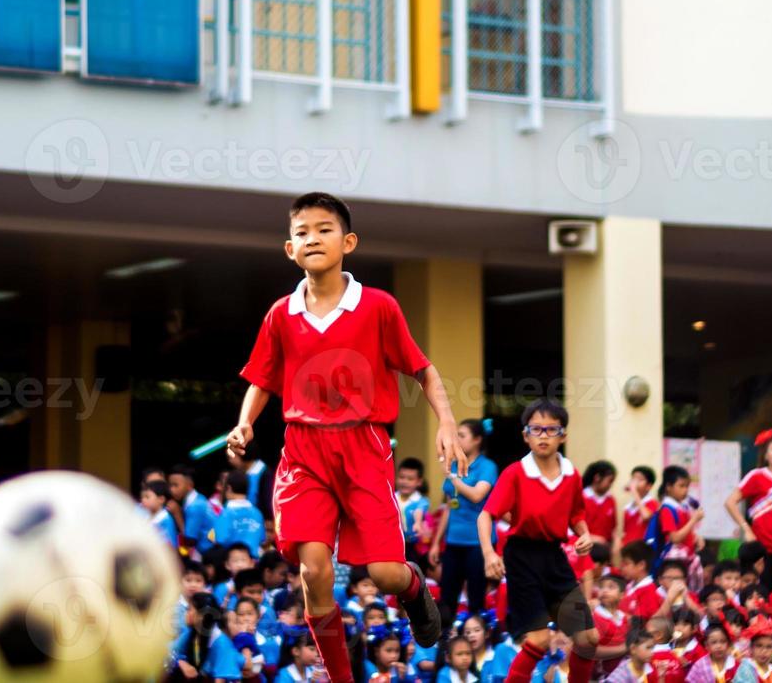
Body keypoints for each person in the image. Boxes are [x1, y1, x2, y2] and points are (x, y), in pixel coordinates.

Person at [228, 192, 466, 683]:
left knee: (384, 573)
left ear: (349, 241)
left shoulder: (378, 306)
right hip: (303, 452)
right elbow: (262, 379)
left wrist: (445, 422)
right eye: (302, 232)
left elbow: (423, 370)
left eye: (324, 228)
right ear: (289, 249)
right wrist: (245, 421)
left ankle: (415, 585)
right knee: (313, 572)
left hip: (365, 448)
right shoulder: (280, 314)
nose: (313, 238)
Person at [478, 399, 595, 683]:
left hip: (555, 559)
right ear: (525, 436)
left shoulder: (571, 475)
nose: (544, 436)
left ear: (563, 435)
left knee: (588, 639)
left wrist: (585, 534)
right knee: (540, 640)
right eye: (536, 429)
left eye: (551, 429)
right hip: (522, 558)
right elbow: (486, 516)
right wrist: (490, 554)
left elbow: (577, 513)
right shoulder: (515, 473)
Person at [429, 419, 498, 625]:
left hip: (479, 542)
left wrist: (452, 477)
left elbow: (477, 495)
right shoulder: (454, 464)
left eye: (462, 435)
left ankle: (475, 646)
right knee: (447, 597)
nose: (456, 439)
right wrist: (435, 543)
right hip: (453, 541)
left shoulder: (487, 466)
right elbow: (451, 505)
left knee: (476, 599)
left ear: (477, 440)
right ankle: (446, 646)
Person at [725, 433, 772, 596]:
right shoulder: (756, 476)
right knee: (763, 592)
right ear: (765, 455)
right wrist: (746, 529)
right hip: (763, 546)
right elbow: (730, 502)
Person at [169, 463, 217, 555]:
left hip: (208, 553)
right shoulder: (199, 498)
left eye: (176, 485)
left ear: (190, 485)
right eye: (170, 485)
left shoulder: (195, 507)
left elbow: (190, 540)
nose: (172, 490)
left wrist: (177, 514)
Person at [211, 471, 264, 552]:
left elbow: (219, 539)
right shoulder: (258, 514)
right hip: (253, 562)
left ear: (228, 488)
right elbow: (262, 539)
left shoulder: (226, 513)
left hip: (232, 561)